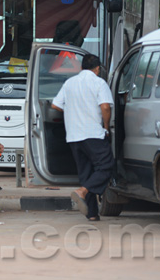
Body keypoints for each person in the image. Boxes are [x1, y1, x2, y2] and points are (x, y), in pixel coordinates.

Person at [51, 54, 115, 221]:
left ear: (82, 67)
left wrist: (72, 112)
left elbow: (55, 105)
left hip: (73, 136)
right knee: (106, 166)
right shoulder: (99, 82)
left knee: (86, 172)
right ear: (98, 68)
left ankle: (92, 214)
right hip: (93, 133)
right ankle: (82, 191)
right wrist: (106, 128)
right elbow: (106, 107)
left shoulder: (69, 83)